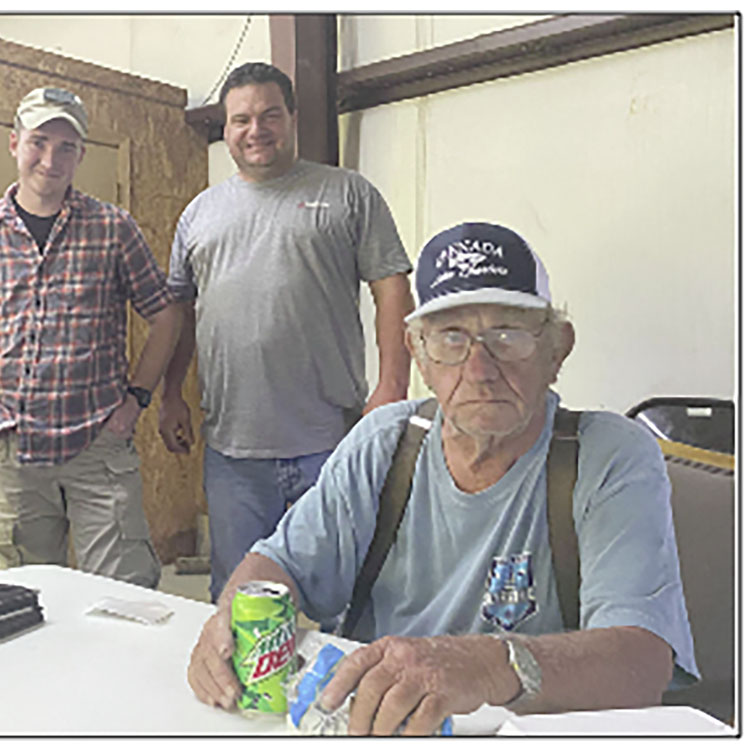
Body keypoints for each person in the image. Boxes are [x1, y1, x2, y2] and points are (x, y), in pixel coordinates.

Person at [186, 221, 698, 734]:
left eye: (507, 335)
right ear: (419, 354)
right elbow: (278, 567)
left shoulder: (609, 457)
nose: (479, 369)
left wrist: (487, 666)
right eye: (452, 338)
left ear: (556, 350)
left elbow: (641, 662)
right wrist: (226, 624)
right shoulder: (385, 442)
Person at [161, 62, 416, 602]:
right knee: (240, 597)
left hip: (331, 442)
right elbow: (180, 312)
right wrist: (171, 396)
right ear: (226, 129)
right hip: (233, 452)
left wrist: (391, 387)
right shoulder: (199, 214)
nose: (256, 130)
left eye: (270, 115)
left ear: (292, 119)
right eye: (241, 120)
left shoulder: (348, 194)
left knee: (343, 592)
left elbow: (392, 289)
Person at [0, 87, 182, 589]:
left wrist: (138, 398)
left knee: (125, 597)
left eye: (66, 148)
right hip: (15, 451)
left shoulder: (113, 228)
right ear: (14, 144)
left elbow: (165, 314)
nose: (50, 160)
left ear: (80, 155)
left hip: (99, 446)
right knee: (29, 596)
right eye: (38, 143)